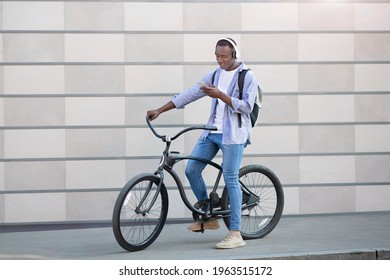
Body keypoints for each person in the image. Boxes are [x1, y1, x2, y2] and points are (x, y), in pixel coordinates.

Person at [146, 38, 259, 249]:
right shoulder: (215, 74)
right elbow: (190, 94)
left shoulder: (247, 76)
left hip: (234, 135)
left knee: (230, 177)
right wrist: (160, 110)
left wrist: (221, 95)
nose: (220, 60)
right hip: (212, 132)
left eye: (223, 56)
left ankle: (235, 233)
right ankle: (209, 215)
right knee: (191, 169)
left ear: (234, 54)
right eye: (217, 56)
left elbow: (246, 107)